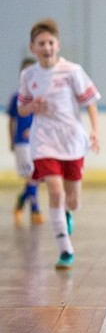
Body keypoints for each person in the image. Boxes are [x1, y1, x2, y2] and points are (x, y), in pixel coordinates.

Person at [17, 19, 101, 269]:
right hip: (44, 141)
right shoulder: (28, 75)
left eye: (51, 42)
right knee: (55, 191)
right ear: (33, 47)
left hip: (72, 140)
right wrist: (31, 107)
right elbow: (21, 108)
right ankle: (65, 249)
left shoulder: (72, 71)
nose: (47, 47)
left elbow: (90, 102)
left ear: (58, 45)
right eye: (41, 43)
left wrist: (95, 131)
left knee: (72, 199)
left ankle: (68, 212)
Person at [8, 57, 44, 227]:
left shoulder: (40, 97)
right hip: (22, 142)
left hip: (37, 142)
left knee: (36, 175)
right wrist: (12, 140)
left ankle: (21, 201)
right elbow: (12, 121)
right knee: (31, 175)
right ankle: (35, 209)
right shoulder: (16, 97)